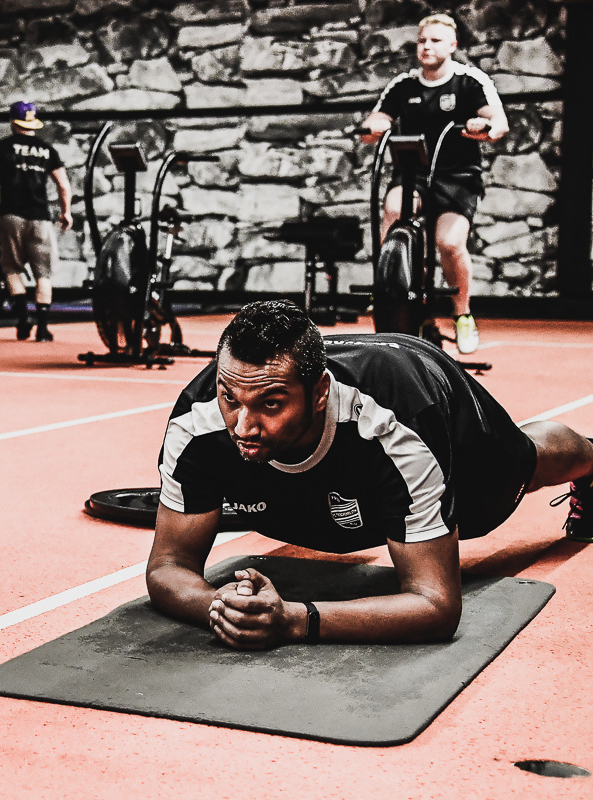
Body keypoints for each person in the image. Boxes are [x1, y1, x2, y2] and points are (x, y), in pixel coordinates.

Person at [147, 300, 592, 649]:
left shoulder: (398, 425)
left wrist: (293, 620)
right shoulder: (199, 420)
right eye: (230, 397)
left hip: (431, 399)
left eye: (270, 404)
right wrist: (223, 609)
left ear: (320, 392)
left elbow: (436, 605)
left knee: (523, 463)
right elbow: (168, 566)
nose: (242, 427)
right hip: (330, 485)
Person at [358, 13, 507, 355]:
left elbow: (498, 124)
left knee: (449, 244)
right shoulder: (403, 86)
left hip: (457, 176)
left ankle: (462, 314)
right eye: (422, 40)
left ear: (452, 45)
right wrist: (375, 126)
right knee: (394, 210)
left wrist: (482, 126)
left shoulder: (469, 81)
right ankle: (391, 290)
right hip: (413, 174)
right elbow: (376, 121)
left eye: (435, 40)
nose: (426, 46)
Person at [0, 101, 73, 343]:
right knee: (44, 274)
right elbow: (63, 184)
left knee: (11, 269)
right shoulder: (47, 150)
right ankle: (42, 328)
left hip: (11, 216)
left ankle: (22, 318)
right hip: (40, 217)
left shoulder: (1, 147)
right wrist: (66, 211)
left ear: (12, 121)